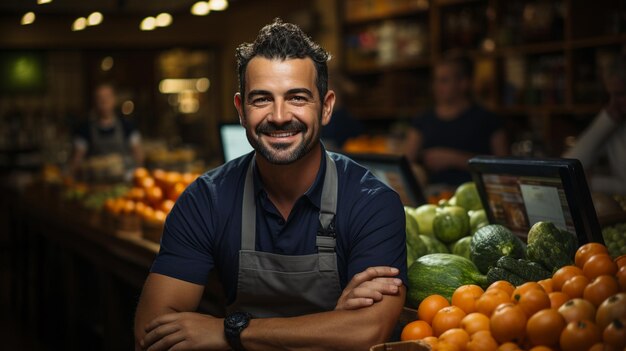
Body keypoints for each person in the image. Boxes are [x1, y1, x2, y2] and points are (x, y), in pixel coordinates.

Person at [134, 19, 407, 351]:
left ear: (326, 107)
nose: (279, 116)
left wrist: (229, 332)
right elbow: (150, 334)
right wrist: (332, 326)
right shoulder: (206, 200)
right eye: (262, 99)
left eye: (297, 98)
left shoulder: (372, 203)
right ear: (240, 110)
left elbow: (368, 332)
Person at [404, 55, 508, 187]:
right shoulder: (422, 120)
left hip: (475, 196)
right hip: (431, 198)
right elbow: (406, 164)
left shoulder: (488, 120)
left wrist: (454, 159)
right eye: (435, 80)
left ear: (463, 83)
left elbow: (503, 169)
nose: (436, 87)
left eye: (444, 81)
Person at [563, 57, 626, 194]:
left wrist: (591, 182)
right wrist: (606, 120)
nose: (613, 103)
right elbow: (569, 165)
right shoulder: (615, 122)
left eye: (620, 94)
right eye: (610, 95)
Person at [70, 83, 143, 176]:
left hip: (124, 179)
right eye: (100, 98)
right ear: (94, 101)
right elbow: (77, 160)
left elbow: (138, 156)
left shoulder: (127, 126)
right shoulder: (84, 129)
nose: (104, 101)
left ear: (114, 99)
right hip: (96, 182)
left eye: (107, 97)